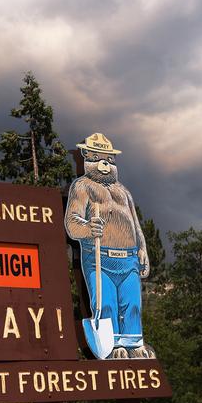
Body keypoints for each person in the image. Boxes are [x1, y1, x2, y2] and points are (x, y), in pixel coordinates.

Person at [64, 133, 154, 359]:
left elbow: (135, 223)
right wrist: (87, 228)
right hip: (99, 257)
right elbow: (71, 223)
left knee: (133, 303)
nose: (104, 164)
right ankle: (111, 346)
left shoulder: (124, 192)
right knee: (106, 305)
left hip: (129, 257)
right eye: (97, 157)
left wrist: (142, 248)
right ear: (86, 157)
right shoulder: (82, 186)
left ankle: (135, 345)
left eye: (109, 159)